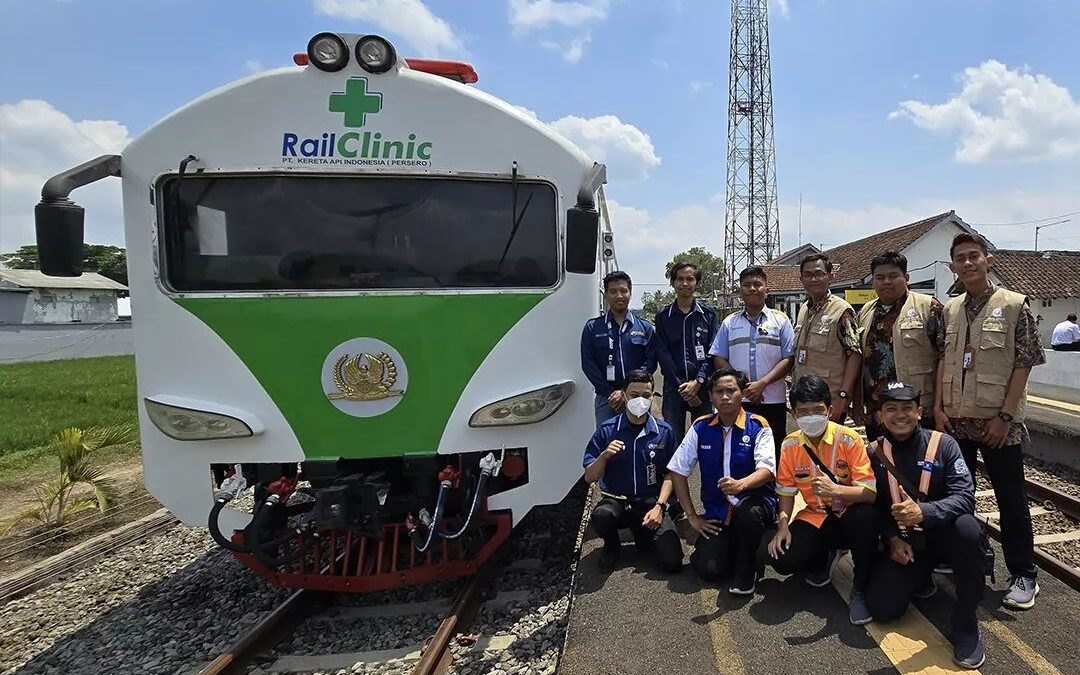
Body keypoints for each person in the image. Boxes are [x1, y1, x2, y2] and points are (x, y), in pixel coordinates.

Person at [935, 231, 1045, 609]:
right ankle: (966, 557)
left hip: (999, 422)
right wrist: (938, 407)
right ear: (952, 266)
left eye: (974, 256)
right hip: (956, 419)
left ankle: (1023, 573)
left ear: (988, 260)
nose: (967, 263)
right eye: (960, 258)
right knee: (956, 496)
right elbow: (942, 362)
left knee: (1010, 498)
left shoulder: (1014, 305)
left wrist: (1005, 415)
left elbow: (1024, 362)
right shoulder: (949, 309)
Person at [864, 381, 985, 669]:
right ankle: (920, 577)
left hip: (945, 539)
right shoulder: (872, 453)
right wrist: (892, 539)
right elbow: (877, 506)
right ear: (881, 416)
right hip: (908, 544)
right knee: (882, 608)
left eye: (907, 408)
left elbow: (965, 497)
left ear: (919, 413)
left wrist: (925, 511)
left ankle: (966, 623)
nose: (900, 415)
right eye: (891, 409)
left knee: (969, 529)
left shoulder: (944, 445)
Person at [768, 375, 878, 625]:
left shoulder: (849, 439)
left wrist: (835, 490)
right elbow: (785, 493)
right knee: (784, 559)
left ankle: (859, 588)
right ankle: (825, 556)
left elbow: (869, 493)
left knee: (867, 518)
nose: (811, 416)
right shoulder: (790, 445)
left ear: (829, 410)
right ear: (794, 413)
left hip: (850, 516)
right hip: (816, 516)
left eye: (817, 410)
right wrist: (782, 526)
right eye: (803, 411)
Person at [667, 368, 777, 594]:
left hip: (753, 504)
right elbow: (677, 470)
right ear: (710, 396)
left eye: (731, 390)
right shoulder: (700, 427)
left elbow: (767, 470)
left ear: (742, 393)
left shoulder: (758, 425)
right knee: (709, 570)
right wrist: (692, 517)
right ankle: (735, 548)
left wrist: (741, 485)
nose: (725, 397)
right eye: (719, 391)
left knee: (749, 514)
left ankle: (747, 571)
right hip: (718, 514)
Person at [583, 369, 683, 572]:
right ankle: (612, 546)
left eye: (646, 396)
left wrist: (660, 507)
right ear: (624, 395)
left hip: (650, 503)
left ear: (652, 395)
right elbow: (589, 477)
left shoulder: (664, 432)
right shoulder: (607, 430)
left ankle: (643, 532)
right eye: (634, 395)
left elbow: (672, 474)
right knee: (601, 515)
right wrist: (604, 456)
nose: (640, 401)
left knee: (672, 562)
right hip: (617, 501)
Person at [856, 251, 944, 441]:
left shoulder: (929, 307)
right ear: (873, 282)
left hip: (917, 410)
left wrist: (940, 406)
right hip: (877, 411)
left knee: (920, 466)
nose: (886, 281)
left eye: (893, 276)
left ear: (906, 278)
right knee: (881, 465)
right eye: (880, 277)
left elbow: (945, 359)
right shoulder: (866, 311)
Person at [711, 265, 795, 461]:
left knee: (773, 450)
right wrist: (742, 386)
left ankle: (771, 491)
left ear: (767, 289)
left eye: (758, 284)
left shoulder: (781, 321)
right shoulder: (729, 323)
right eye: (747, 285)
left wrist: (762, 384)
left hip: (773, 399)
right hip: (739, 399)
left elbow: (788, 359)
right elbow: (719, 357)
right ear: (740, 291)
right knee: (740, 450)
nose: (752, 289)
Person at [791, 254, 863, 423]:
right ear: (801, 279)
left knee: (831, 446)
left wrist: (843, 396)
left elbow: (855, 354)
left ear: (830, 277)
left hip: (828, 399)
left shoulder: (841, 311)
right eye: (808, 275)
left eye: (819, 274)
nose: (813, 279)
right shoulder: (803, 310)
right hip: (804, 397)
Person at [581, 271, 657, 425]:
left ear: (630, 293)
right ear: (606, 294)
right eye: (613, 291)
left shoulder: (645, 328)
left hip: (638, 398)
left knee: (640, 442)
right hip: (607, 399)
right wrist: (611, 393)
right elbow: (588, 364)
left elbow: (650, 362)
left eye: (623, 291)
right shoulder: (592, 327)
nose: (619, 296)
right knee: (607, 444)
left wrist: (627, 392)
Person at [655, 262, 718, 439]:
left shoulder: (708, 314)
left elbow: (713, 351)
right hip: (674, 389)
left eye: (689, 279)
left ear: (696, 282)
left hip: (703, 389)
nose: (685, 283)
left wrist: (698, 382)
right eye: (680, 279)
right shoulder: (663, 316)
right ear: (673, 282)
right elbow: (663, 354)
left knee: (707, 440)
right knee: (673, 442)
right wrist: (683, 387)